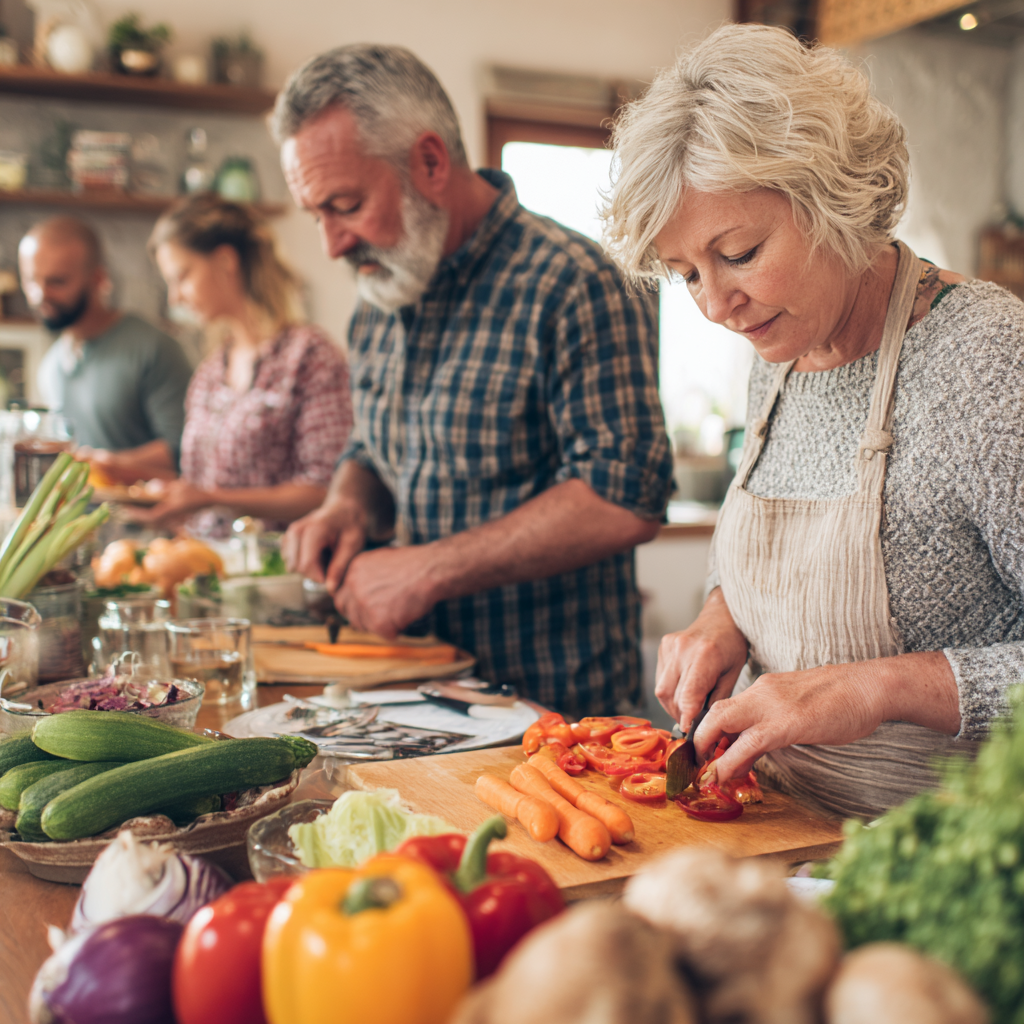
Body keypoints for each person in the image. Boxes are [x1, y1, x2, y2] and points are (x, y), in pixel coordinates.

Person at [602, 23, 1024, 818]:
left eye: (740, 252)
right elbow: (755, 567)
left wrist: (882, 685)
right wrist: (720, 619)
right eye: (687, 273)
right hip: (779, 828)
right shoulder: (781, 351)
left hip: (942, 857)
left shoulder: (985, 359)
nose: (717, 307)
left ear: (833, 198)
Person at [274, 45, 673, 716]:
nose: (332, 245)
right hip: (413, 701)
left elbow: (625, 497)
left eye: (345, 205)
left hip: (552, 717)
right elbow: (373, 448)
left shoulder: (573, 282)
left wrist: (428, 568)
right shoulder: (380, 295)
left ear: (430, 162)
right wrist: (346, 503)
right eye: (317, 215)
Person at [135, 193, 352, 538]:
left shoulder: (310, 357)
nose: (175, 297)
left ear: (224, 260)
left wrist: (208, 499)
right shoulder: (209, 373)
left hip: (280, 574)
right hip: (208, 571)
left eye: (182, 276)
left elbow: (326, 489)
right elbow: (197, 487)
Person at [19, 216, 192, 481]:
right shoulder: (51, 365)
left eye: (57, 282)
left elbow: (185, 451)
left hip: (147, 519)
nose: (40, 295)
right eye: (32, 281)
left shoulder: (154, 349)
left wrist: (106, 464)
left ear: (98, 278)